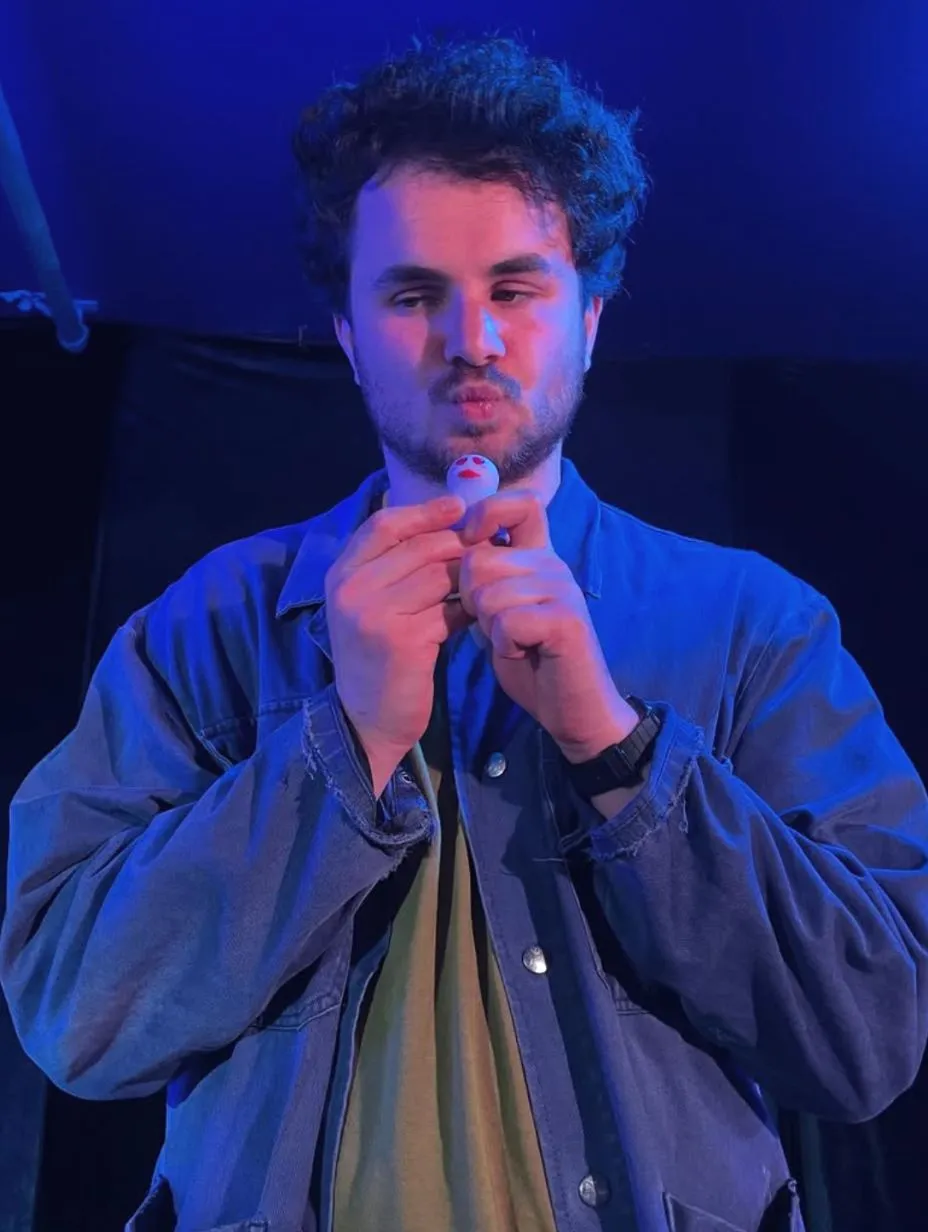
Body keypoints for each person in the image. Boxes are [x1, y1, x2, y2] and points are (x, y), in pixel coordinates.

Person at [2, 33, 927, 1232]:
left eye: (515, 287)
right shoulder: (207, 624)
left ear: (588, 319)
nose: (470, 337)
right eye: (410, 294)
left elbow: (871, 1031)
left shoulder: (753, 622)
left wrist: (613, 744)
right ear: (345, 332)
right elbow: (77, 1010)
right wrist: (346, 741)